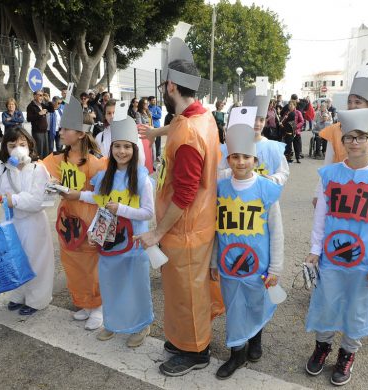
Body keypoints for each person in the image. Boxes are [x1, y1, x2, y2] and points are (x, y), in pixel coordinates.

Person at [137, 37, 221, 377]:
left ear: (171, 86)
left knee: (188, 292)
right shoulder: (200, 117)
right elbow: (179, 123)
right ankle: (184, 339)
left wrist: (157, 232)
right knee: (181, 290)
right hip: (193, 225)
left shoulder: (188, 135)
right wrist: (156, 132)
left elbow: (184, 194)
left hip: (185, 227)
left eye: (163, 86)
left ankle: (196, 351)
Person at [304, 107, 368, 386]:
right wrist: (315, 248)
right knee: (326, 303)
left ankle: (348, 352)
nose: (355, 142)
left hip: (365, 261)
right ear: (342, 140)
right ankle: (322, 346)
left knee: (358, 308)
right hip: (332, 260)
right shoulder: (330, 175)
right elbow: (321, 215)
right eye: (350, 137)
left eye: (361, 137)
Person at [68, 113, 155, 347]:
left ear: (134, 149)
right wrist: (77, 195)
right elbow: (99, 198)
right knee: (111, 284)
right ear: (111, 148)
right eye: (117, 146)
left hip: (134, 243)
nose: (122, 151)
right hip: (108, 240)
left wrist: (122, 209)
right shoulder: (105, 175)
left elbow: (148, 212)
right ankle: (113, 324)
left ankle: (141, 326)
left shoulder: (141, 178)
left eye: (127, 146)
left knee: (136, 286)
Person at [211, 110, 284, 380]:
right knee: (234, 306)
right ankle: (237, 353)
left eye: (246, 157)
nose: (240, 162)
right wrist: (212, 261)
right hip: (229, 264)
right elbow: (217, 231)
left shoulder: (266, 189)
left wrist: (275, 267)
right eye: (235, 157)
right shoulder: (220, 187)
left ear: (256, 159)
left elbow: (276, 231)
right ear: (228, 159)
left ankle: (255, 339)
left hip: (259, 264)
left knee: (256, 302)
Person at [0, 126, 55, 315]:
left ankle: (38, 299)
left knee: (36, 260)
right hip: (11, 222)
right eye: (12, 145)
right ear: (5, 148)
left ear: (29, 146)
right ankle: (18, 294)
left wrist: (14, 200)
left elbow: (39, 201)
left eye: (22, 144)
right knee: (14, 260)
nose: (18, 149)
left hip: (34, 223)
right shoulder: (2, 170)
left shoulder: (38, 169)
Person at [42, 96, 107, 330]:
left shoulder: (97, 162)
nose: (60, 132)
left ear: (81, 133)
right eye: (61, 128)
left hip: (89, 220)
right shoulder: (59, 157)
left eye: (66, 129)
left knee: (92, 265)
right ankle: (85, 303)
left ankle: (99, 306)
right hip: (68, 221)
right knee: (72, 263)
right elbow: (41, 171)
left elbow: (104, 195)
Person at [314, 66, 368, 206]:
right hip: (339, 194)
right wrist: (318, 194)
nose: (352, 106)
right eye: (350, 101)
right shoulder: (336, 130)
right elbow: (327, 164)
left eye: (358, 102)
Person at [218, 88, 289, 185]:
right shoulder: (231, 145)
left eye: (261, 120)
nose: (257, 124)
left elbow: (283, 173)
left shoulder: (272, 147)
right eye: (253, 119)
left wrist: (271, 179)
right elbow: (217, 173)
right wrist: (233, 172)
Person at [96, 100, 147, 169]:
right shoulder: (100, 137)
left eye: (115, 113)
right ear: (105, 116)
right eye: (109, 113)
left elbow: (140, 159)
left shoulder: (132, 133)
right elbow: (98, 159)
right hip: (107, 176)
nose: (112, 116)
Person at [26, 90, 54, 159]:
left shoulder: (42, 104)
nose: (42, 97)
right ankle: (39, 165)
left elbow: (52, 110)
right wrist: (39, 114)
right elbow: (29, 118)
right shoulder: (31, 106)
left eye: (42, 95)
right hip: (37, 131)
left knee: (46, 151)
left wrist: (49, 100)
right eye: (40, 95)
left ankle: (44, 164)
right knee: (39, 150)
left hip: (44, 131)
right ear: (35, 96)